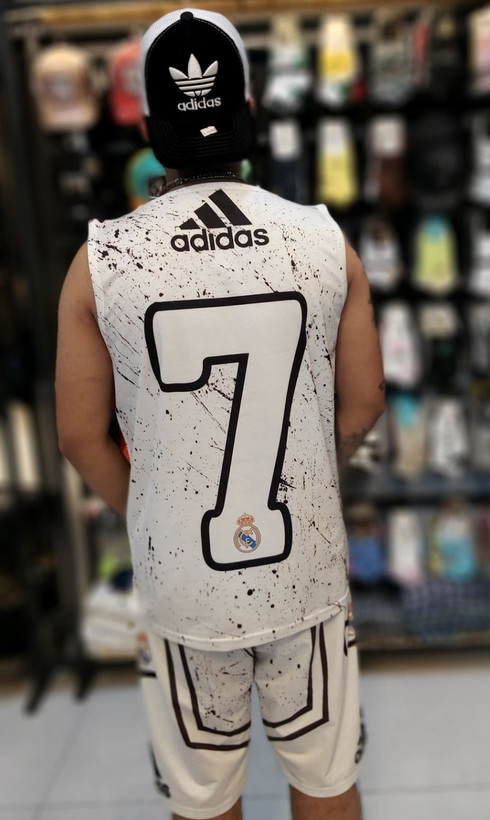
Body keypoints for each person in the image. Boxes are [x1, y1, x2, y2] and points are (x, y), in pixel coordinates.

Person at [55, 9, 385, 820]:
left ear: (147, 126)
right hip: (302, 564)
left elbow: (79, 436)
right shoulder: (323, 241)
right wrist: (314, 473)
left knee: (204, 799)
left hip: (182, 583)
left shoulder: (101, 260)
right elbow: (365, 402)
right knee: (325, 779)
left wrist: (149, 510)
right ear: (251, 114)